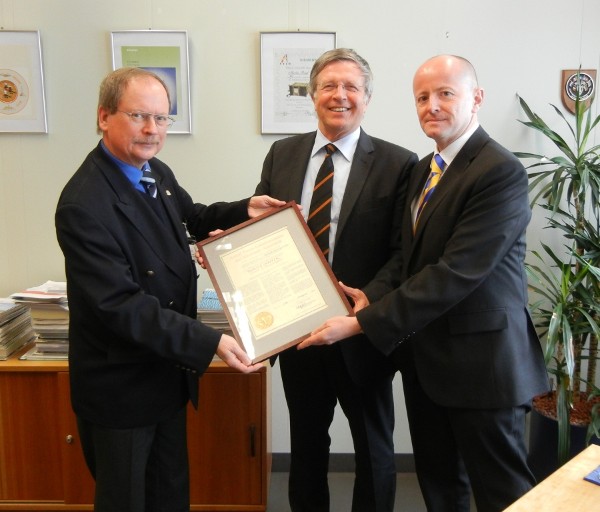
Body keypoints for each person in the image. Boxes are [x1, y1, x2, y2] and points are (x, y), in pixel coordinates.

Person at [298, 55, 550, 512]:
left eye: (445, 94)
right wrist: (369, 294)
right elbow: (407, 259)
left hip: (484, 370)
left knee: (504, 496)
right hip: (428, 367)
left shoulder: (499, 171)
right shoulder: (424, 170)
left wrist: (362, 321)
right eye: (422, 97)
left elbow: (455, 273)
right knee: (441, 493)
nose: (432, 106)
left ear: (476, 98)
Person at [55, 67, 284, 512]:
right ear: (104, 116)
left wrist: (245, 208)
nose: (152, 130)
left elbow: (192, 215)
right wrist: (211, 341)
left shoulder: (152, 169)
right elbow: (121, 306)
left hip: (165, 375)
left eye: (162, 119)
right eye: (139, 115)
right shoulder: (84, 204)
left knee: (169, 495)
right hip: (120, 389)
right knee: (128, 501)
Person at [254, 48, 417, 512]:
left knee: (373, 449)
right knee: (306, 446)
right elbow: (263, 231)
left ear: (367, 99)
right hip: (298, 331)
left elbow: (401, 252)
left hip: (361, 333)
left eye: (351, 87)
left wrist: (367, 304)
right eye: (329, 86)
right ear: (312, 94)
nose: (339, 96)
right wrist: (232, 252)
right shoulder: (282, 154)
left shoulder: (398, 162)